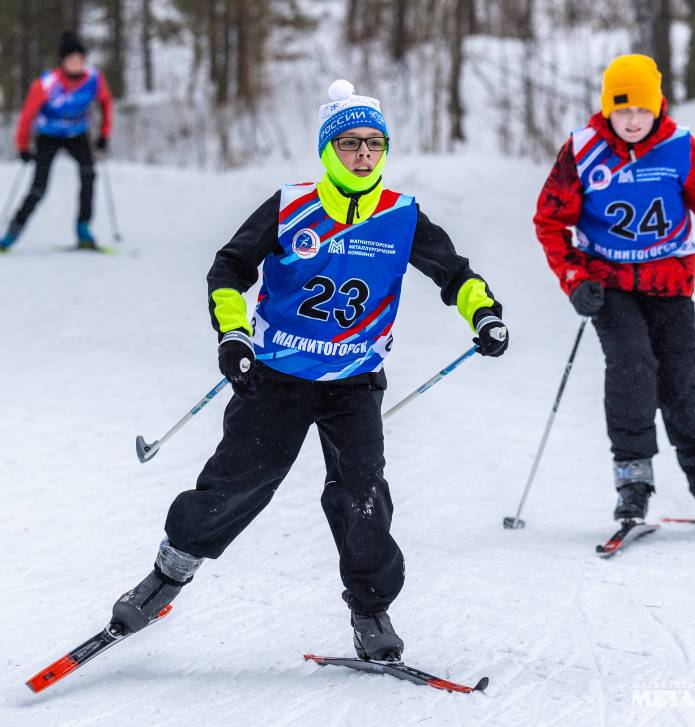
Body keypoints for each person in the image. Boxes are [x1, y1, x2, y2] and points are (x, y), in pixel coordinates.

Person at [110, 80, 508, 661]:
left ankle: (371, 613)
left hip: (355, 381)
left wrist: (486, 315)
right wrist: (234, 335)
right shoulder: (291, 205)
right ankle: (166, 578)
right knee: (235, 485)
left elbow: (457, 274)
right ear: (328, 150)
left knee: (363, 496)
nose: (364, 155)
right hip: (276, 376)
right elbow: (228, 269)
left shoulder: (402, 216)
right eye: (349, 144)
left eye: (375, 144)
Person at [534, 54, 695, 526]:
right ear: (607, 109)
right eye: (622, 110)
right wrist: (575, 280)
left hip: (669, 282)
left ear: (656, 107)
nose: (632, 120)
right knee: (632, 368)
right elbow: (550, 220)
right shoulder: (582, 149)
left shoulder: (679, 146)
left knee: (683, 385)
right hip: (609, 285)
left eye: (641, 109)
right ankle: (633, 484)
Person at [0, 31, 113, 252]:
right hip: (48, 136)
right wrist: (22, 146)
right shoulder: (46, 83)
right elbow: (27, 115)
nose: (77, 64)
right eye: (72, 60)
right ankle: (13, 231)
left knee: (88, 174)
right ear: (63, 61)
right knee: (39, 188)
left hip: (77, 135)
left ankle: (83, 228)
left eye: (80, 59)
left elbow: (106, 104)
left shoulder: (93, 78)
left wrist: (104, 134)